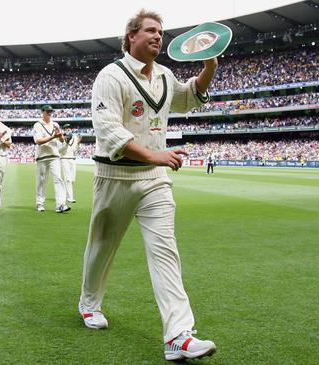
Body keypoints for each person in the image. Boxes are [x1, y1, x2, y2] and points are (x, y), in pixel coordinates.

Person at [78, 9, 218, 361]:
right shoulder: (110, 76)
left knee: (165, 251)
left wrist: (209, 69)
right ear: (131, 37)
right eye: (151, 31)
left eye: (161, 32)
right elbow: (109, 131)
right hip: (115, 176)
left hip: (154, 181)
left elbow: (186, 98)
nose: (158, 36)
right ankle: (89, 302)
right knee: (101, 247)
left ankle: (178, 334)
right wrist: (155, 155)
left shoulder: (166, 76)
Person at [33, 104, 70, 213]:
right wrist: (53, 137)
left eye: (50, 112)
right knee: (41, 181)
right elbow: (38, 141)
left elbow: (62, 141)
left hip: (54, 156)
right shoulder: (38, 125)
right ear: (43, 112)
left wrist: (60, 136)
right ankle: (40, 204)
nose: (49, 113)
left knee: (58, 179)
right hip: (42, 157)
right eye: (47, 111)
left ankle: (61, 205)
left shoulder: (55, 124)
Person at [59, 125, 81, 203]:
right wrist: (66, 142)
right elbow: (60, 151)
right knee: (67, 179)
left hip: (72, 160)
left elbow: (75, 150)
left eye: (69, 128)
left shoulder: (74, 138)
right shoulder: (61, 138)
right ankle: (70, 197)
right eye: (66, 128)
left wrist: (78, 143)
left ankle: (64, 194)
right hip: (64, 159)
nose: (68, 130)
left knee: (72, 180)